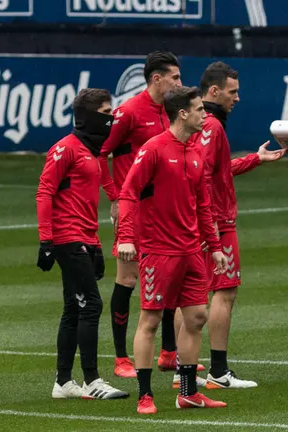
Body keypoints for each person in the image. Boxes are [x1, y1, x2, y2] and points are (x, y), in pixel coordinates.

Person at [117, 86, 228, 414]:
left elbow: (203, 205)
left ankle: (188, 392)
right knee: (149, 321)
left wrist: (216, 248)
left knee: (196, 317)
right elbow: (128, 193)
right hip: (158, 251)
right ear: (182, 113)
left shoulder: (194, 152)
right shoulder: (153, 150)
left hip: (192, 251)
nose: (204, 115)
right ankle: (144, 395)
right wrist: (126, 237)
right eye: (198, 110)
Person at [98, 51, 197, 378]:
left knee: (170, 282)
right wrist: (114, 196)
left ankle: (169, 352)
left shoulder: (172, 113)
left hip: (164, 215)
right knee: (127, 280)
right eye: (175, 78)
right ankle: (121, 358)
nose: (180, 83)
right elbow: (100, 154)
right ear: (157, 79)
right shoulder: (128, 113)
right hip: (134, 212)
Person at [190, 61, 285, 389]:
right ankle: (218, 372)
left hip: (205, 218)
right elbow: (201, 174)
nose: (238, 98)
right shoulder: (212, 125)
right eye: (233, 92)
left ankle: (181, 367)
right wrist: (211, 222)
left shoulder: (201, 123)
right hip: (217, 220)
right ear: (213, 91)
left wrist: (254, 159)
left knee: (195, 293)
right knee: (223, 292)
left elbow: (215, 170)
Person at [36, 88, 128, 400]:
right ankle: (91, 380)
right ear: (87, 116)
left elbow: (86, 202)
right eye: (105, 113)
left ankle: (63, 383)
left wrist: (97, 245)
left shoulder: (92, 153)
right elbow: (45, 191)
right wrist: (46, 240)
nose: (111, 118)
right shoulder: (65, 149)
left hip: (84, 238)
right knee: (92, 304)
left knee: (73, 308)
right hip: (66, 237)